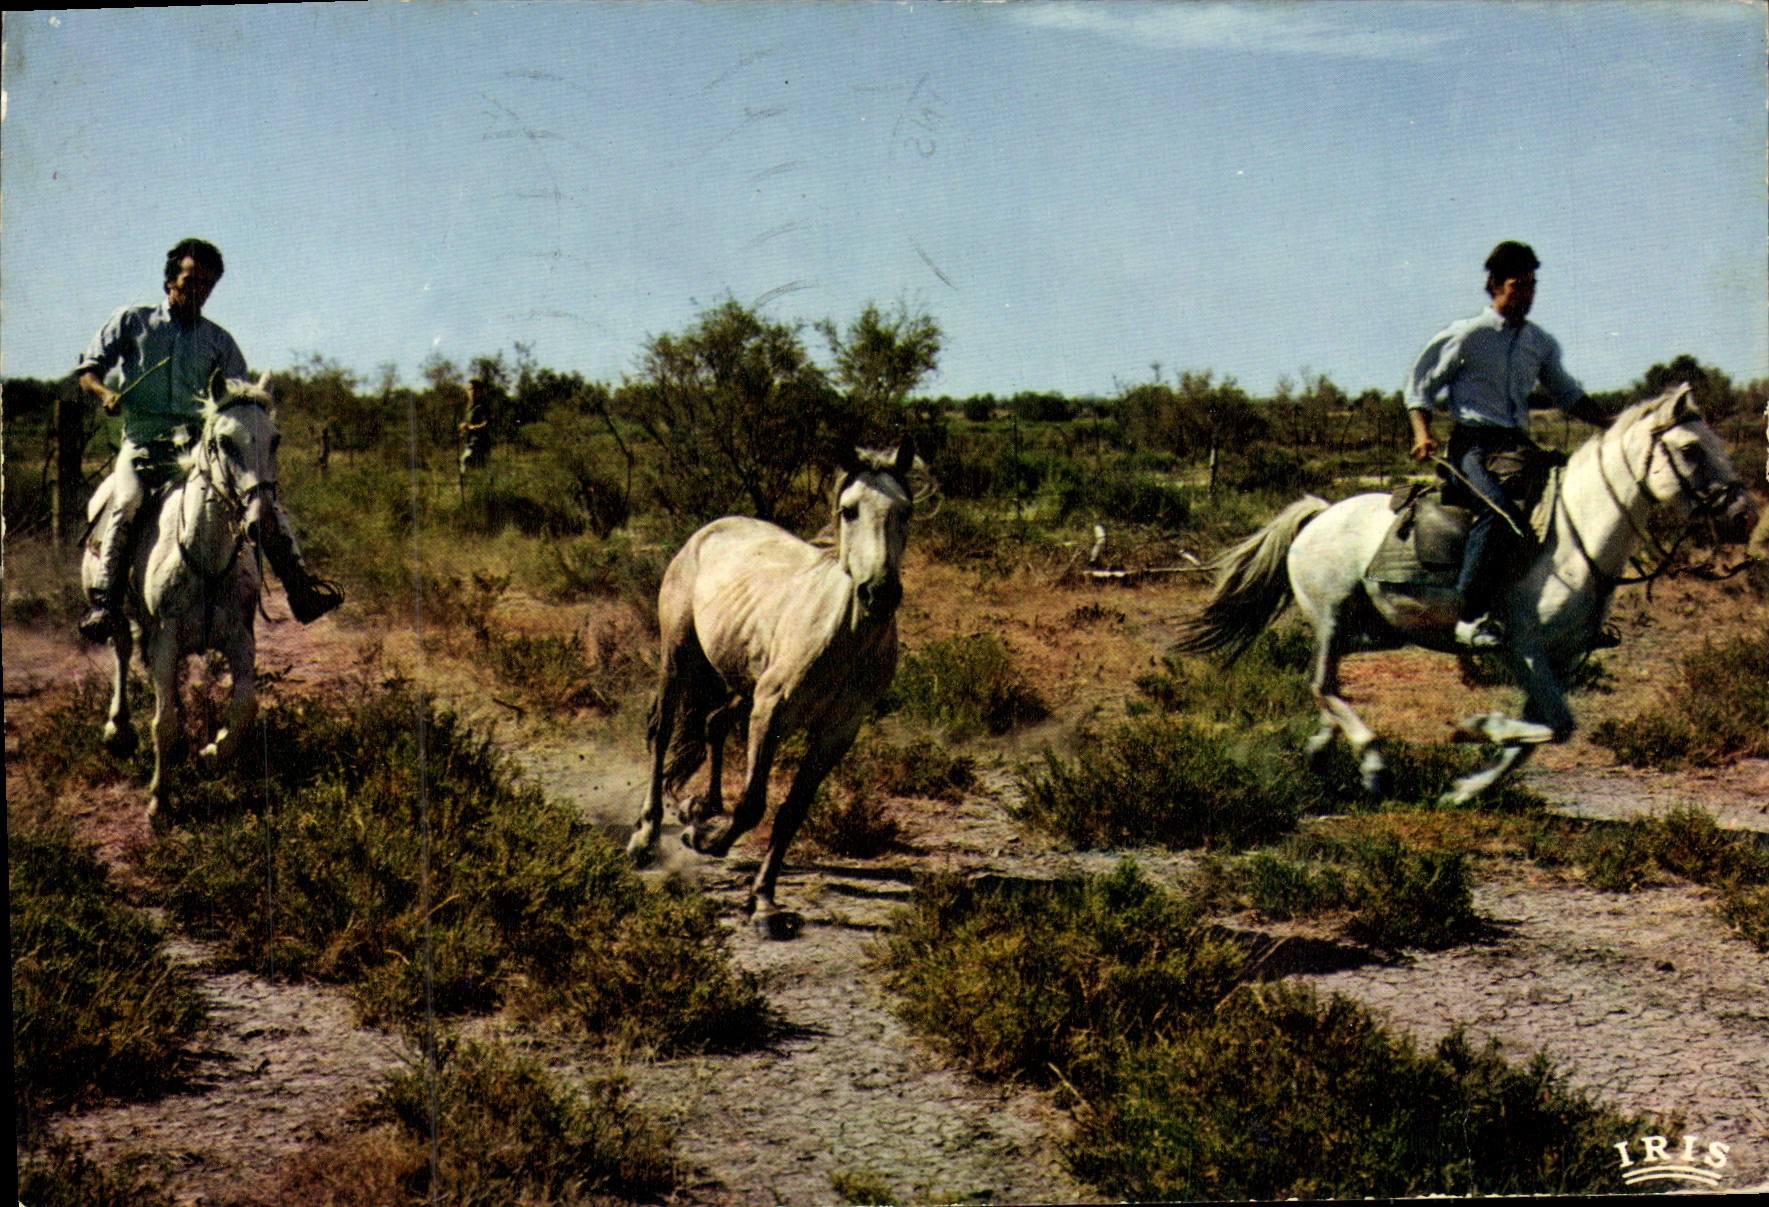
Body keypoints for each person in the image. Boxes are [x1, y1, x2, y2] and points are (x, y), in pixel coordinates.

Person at [76, 237, 342, 641]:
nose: (198, 290)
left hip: (198, 450)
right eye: (190, 280)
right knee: (127, 503)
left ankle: (300, 589)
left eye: (207, 284)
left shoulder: (220, 342)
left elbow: (236, 399)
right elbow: (88, 370)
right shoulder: (132, 321)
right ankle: (104, 605)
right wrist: (105, 393)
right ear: (170, 280)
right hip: (144, 446)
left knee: (262, 502)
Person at [1405, 240, 1607, 648]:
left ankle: (1561, 616)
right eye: (1519, 284)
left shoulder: (1539, 343)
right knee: (1497, 512)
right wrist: (1422, 433)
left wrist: (1612, 423)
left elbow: (1566, 393)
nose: (1527, 294)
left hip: (1518, 447)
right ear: (1495, 285)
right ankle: (1469, 616)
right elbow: (1420, 386)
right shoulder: (1467, 336)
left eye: (1532, 285)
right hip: (1472, 448)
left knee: (1568, 508)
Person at [458, 376, 491, 474]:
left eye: (474, 389)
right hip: (469, 442)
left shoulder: (483, 406)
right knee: (476, 470)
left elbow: (487, 424)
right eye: (469, 389)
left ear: (480, 391)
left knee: (465, 461)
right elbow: (467, 424)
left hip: (480, 444)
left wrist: (472, 428)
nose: (472, 392)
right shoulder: (468, 407)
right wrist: (463, 428)